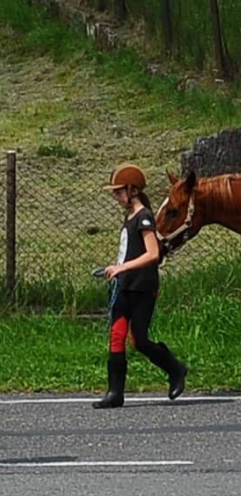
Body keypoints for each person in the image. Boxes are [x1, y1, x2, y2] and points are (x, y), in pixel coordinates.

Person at [93, 164, 187, 409]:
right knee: (116, 335)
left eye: (118, 191)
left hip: (142, 287)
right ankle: (115, 393)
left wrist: (123, 268)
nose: (115, 196)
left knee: (140, 340)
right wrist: (113, 268)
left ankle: (175, 369)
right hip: (125, 285)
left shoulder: (144, 216)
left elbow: (153, 254)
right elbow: (128, 253)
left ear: (132, 190)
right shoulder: (129, 217)